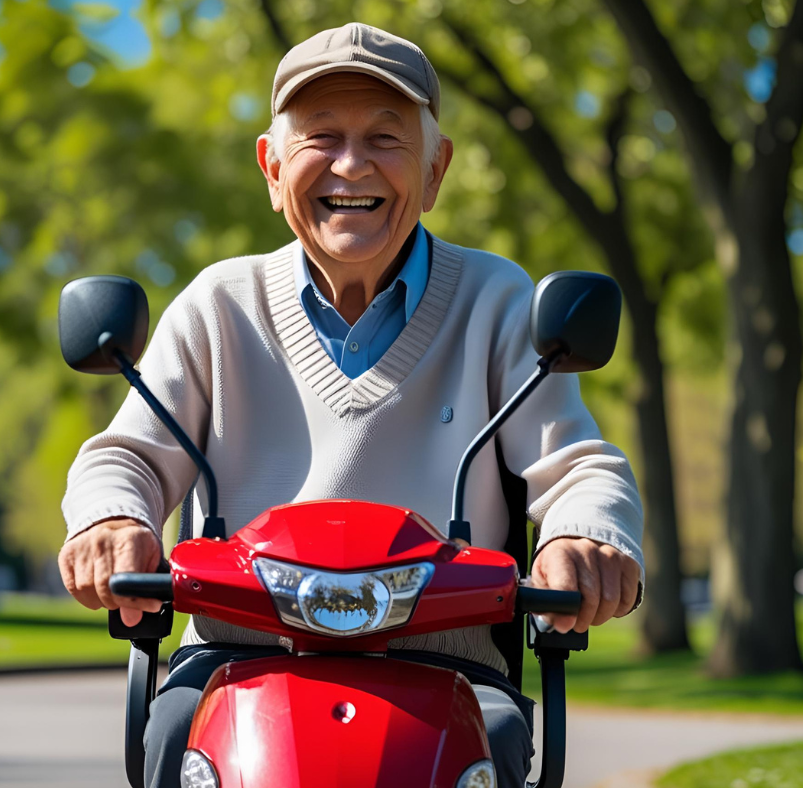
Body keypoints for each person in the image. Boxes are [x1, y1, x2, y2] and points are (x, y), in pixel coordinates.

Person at [59, 23, 644, 788]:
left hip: (448, 661)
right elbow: (127, 453)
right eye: (321, 136)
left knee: (494, 743)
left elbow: (575, 466)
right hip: (240, 659)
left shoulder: (497, 299)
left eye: (386, 137)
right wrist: (113, 518)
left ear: (436, 169)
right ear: (272, 170)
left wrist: (585, 537)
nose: (350, 164)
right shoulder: (218, 305)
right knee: (172, 737)